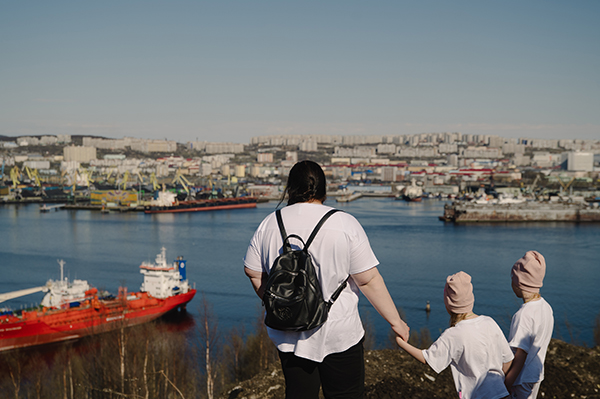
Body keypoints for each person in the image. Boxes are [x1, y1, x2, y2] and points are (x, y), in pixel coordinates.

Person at [244, 160, 410, 399]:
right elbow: (368, 280)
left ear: (290, 188)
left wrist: (278, 302)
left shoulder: (269, 223)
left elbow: (252, 271)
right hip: (339, 332)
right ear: (324, 188)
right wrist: (396, 322)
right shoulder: (344, 223)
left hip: (289, 331)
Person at [396, 271, 514, 399]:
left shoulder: (453, 334)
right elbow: (507, 360)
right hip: (502, 394)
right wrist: (503, 386)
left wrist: (400, 342)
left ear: (448, 304)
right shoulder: (489, 322)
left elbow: (427, 359)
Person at [504, 251, 554, 399]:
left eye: (512, 279)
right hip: (536, 374)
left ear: (519, 283)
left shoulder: (524, 315)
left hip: (521, 379)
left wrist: (505, 384)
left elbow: (520, 356)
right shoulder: (546, 307)